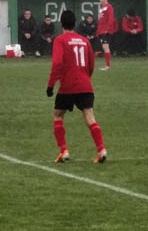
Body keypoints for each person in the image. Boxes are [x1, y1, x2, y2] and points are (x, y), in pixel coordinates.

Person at [46, 9, 107, 164]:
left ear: (61, 24)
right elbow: (91, 63)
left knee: (58, 115)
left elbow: (57, 63)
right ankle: (101, 149)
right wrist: (86, 78)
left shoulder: (60, 40)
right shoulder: (84, 41)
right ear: (75, 24)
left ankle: (64, 151)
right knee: (89, 116)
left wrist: (51, 85)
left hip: (67, 86)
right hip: (85, 85)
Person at [96, 0, 117, 70]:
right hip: (101, 31)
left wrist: (107, 29)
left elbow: (111, 19)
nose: (101, 0)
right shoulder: (101, 8)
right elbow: (100, 20)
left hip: (105, 31)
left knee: (105, 47)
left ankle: (108, 65)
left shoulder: (109, 7)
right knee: (104, 47)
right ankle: (107, 64)